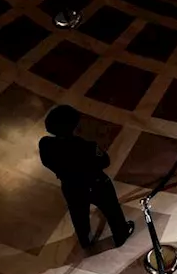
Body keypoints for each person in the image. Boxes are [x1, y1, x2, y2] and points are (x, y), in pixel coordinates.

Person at [39, 106, 135, 250]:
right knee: (112, 210)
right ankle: (121, 234)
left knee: (79, 215)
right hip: (96, 184)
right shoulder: (86, 146)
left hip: (70, 186)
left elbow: (47, 162)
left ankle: (86, 240)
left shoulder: (45, 144)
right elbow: (104, 161)